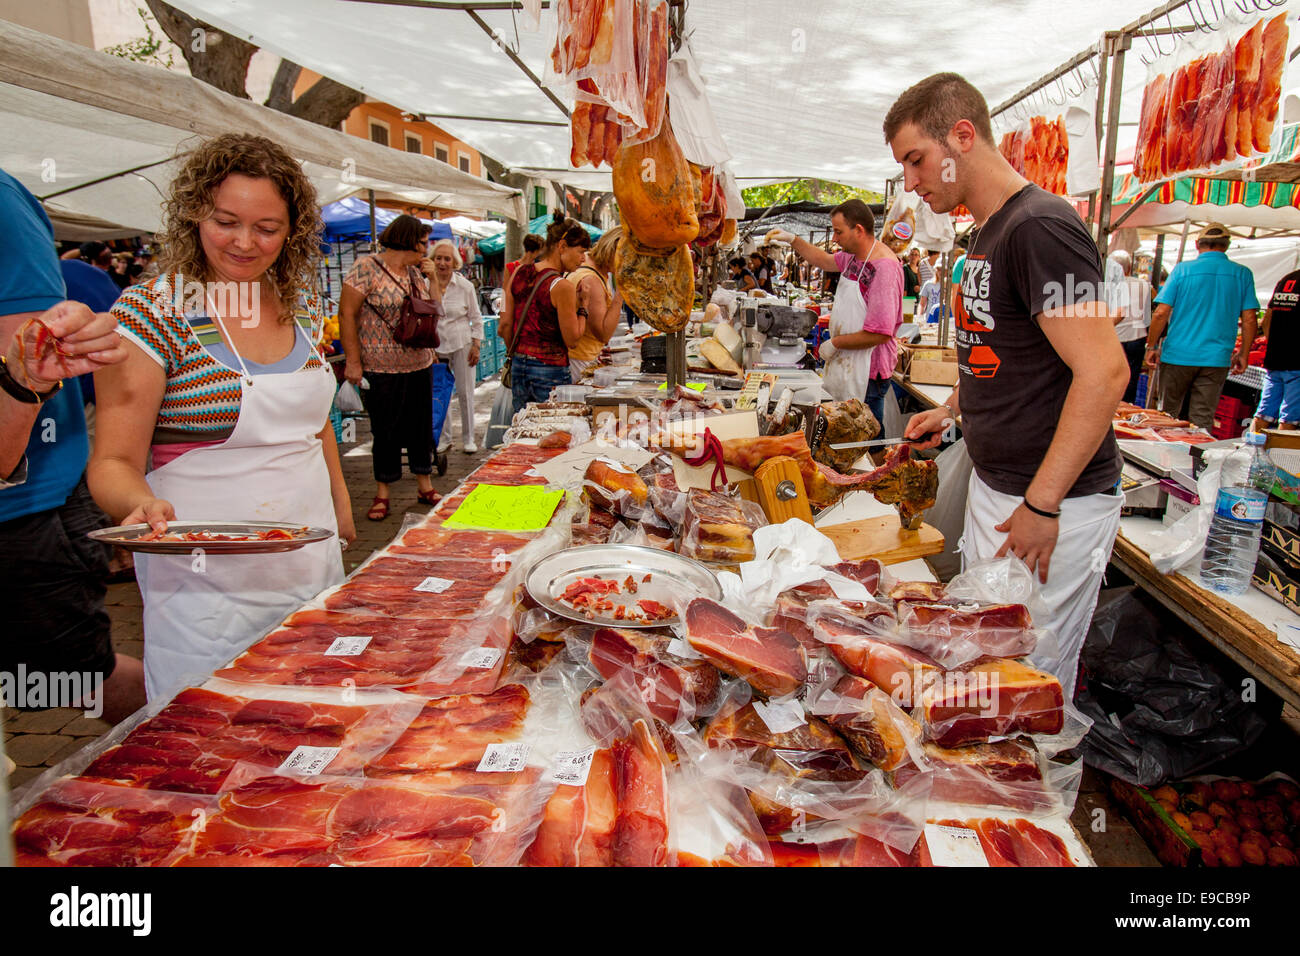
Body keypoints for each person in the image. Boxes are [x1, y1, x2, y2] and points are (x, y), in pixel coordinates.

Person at [886, 72, 1129, 700]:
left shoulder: (1040, 227)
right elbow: (1002, 351)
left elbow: (1104, 372)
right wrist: (951, 407)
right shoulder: (988, 233)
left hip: (1052, 507)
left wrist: (1044, 504)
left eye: (916, 160)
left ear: (961, 137)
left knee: (1026, 687)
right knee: (979, 673)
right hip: (1002, 494)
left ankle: (1030, 797)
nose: (910, 182)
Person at [89, 133, 354, 700]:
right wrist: (137, 505)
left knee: (315, 721)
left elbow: (314, 423)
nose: (245, 243)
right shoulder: (152, 313)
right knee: (212, 737)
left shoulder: (302, 306)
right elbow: (112, 461)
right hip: (202, 587)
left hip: (310, 564)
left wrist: (340, 502)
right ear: (192, 215)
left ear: (294, 229)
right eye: (225, 221)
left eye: (267, 228)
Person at [0, 167, 143, 723]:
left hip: (24, 509)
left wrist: (24, 379)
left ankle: (202, 734)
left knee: (73, 682)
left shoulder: (5, 205)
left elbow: (28, 367)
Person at [339, 214, 442, 521]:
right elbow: (347, 314)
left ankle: (425, 484)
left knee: (420, 426)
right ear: (409, 239)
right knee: (385, 430)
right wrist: (353, 361)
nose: (426, 249)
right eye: (423, 242)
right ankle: (383, 492)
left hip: (418, 362)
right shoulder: (365, 268)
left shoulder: (416, 272)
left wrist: (433, 279)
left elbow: (436, 312)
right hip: (380, 366)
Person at [768, 199, 903, 426]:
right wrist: (793, 239)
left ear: (858, 230)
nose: (834, 239)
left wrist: (836, 343)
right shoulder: (853, 257)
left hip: (867, 372)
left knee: (865, 442)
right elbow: (822, 259)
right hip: (847, 364)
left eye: (839, 232)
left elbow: (880, 333)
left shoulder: (884, 269)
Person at [1146, 223, 1258, 430]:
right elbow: (1250, 318)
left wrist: (1151, 346)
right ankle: (1197, 462)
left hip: (1178, 354)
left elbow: (1161, 312)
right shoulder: (1242, 274)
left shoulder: (1182, 270)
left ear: (1198, 244)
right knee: (1202, 418)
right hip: (1216, 358)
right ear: (1227, 246)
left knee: (1167, 416)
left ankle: (1162, 460)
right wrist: (1244, 353)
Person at [500, 214, 590, 414]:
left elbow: (504, 324)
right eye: (581, 251)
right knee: (553, 431)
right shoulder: (562, 286)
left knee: (525, 432)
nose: (583, 259)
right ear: (562, 246)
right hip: (550, 369)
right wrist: (583, 306)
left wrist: (519, 354)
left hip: (518, 366)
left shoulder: (518, 273)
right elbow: (573, 339)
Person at [422, 237, 483, 454]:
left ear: (454, 262)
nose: (442, 263)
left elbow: (476, 318)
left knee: (466, 393)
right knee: (440, 393)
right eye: (438, 258)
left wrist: (476, 345)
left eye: (447, 259)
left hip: (462, 344)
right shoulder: (425, 285)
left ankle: (468, 438)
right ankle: (444, 438)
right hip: (436, 347)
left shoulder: (465, 286)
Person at [566, 226, 626, 383]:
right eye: (624, 258)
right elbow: (604, 334)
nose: (625, 265)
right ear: (613, 251)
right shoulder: (591, 280)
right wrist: (621, 294)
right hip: (581, 360)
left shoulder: (585, 263)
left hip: (578, 357)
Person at [1253, 266, 1300, 431]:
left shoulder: (1287, 279)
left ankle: (1249, 451)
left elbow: (1267, 319)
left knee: (1263, 413)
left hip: (1275, 358)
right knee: (1290, 418)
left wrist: (1275, 344)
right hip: (1296, 362)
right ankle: (1279, 456)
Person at [1107, 250, 1151, 404]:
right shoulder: (1144, 285)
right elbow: (1147, 317)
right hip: (1136, 337)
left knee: (1109, 380)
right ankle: (1126, 408)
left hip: (1112, 337)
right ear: (1129, 267)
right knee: (1130, 381)